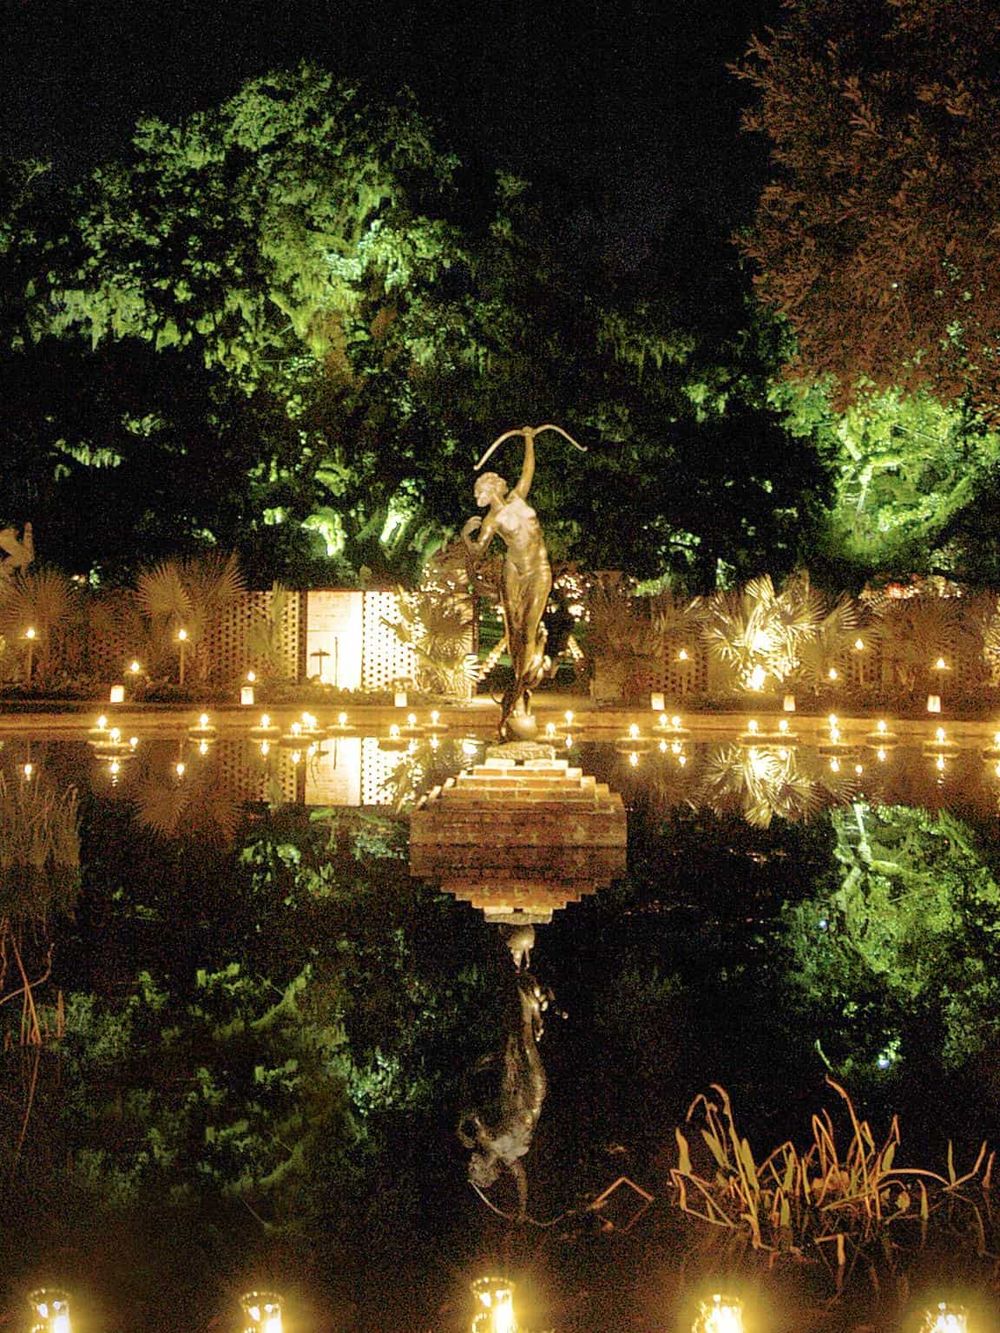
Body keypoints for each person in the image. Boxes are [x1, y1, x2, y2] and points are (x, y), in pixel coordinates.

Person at [462, 425, 583, 738]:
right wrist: (465, 535)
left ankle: (520, 689)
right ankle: (519, 695)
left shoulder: (518, 497)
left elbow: (529, 468)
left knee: (529, 629)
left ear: (497, 489)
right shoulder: (491, 521)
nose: (482, 496)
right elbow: (477, 552)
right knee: (514, 627)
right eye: (481, 493)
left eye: (485, 490)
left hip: (538, 569)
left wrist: (529, 439)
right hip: (514, 570)